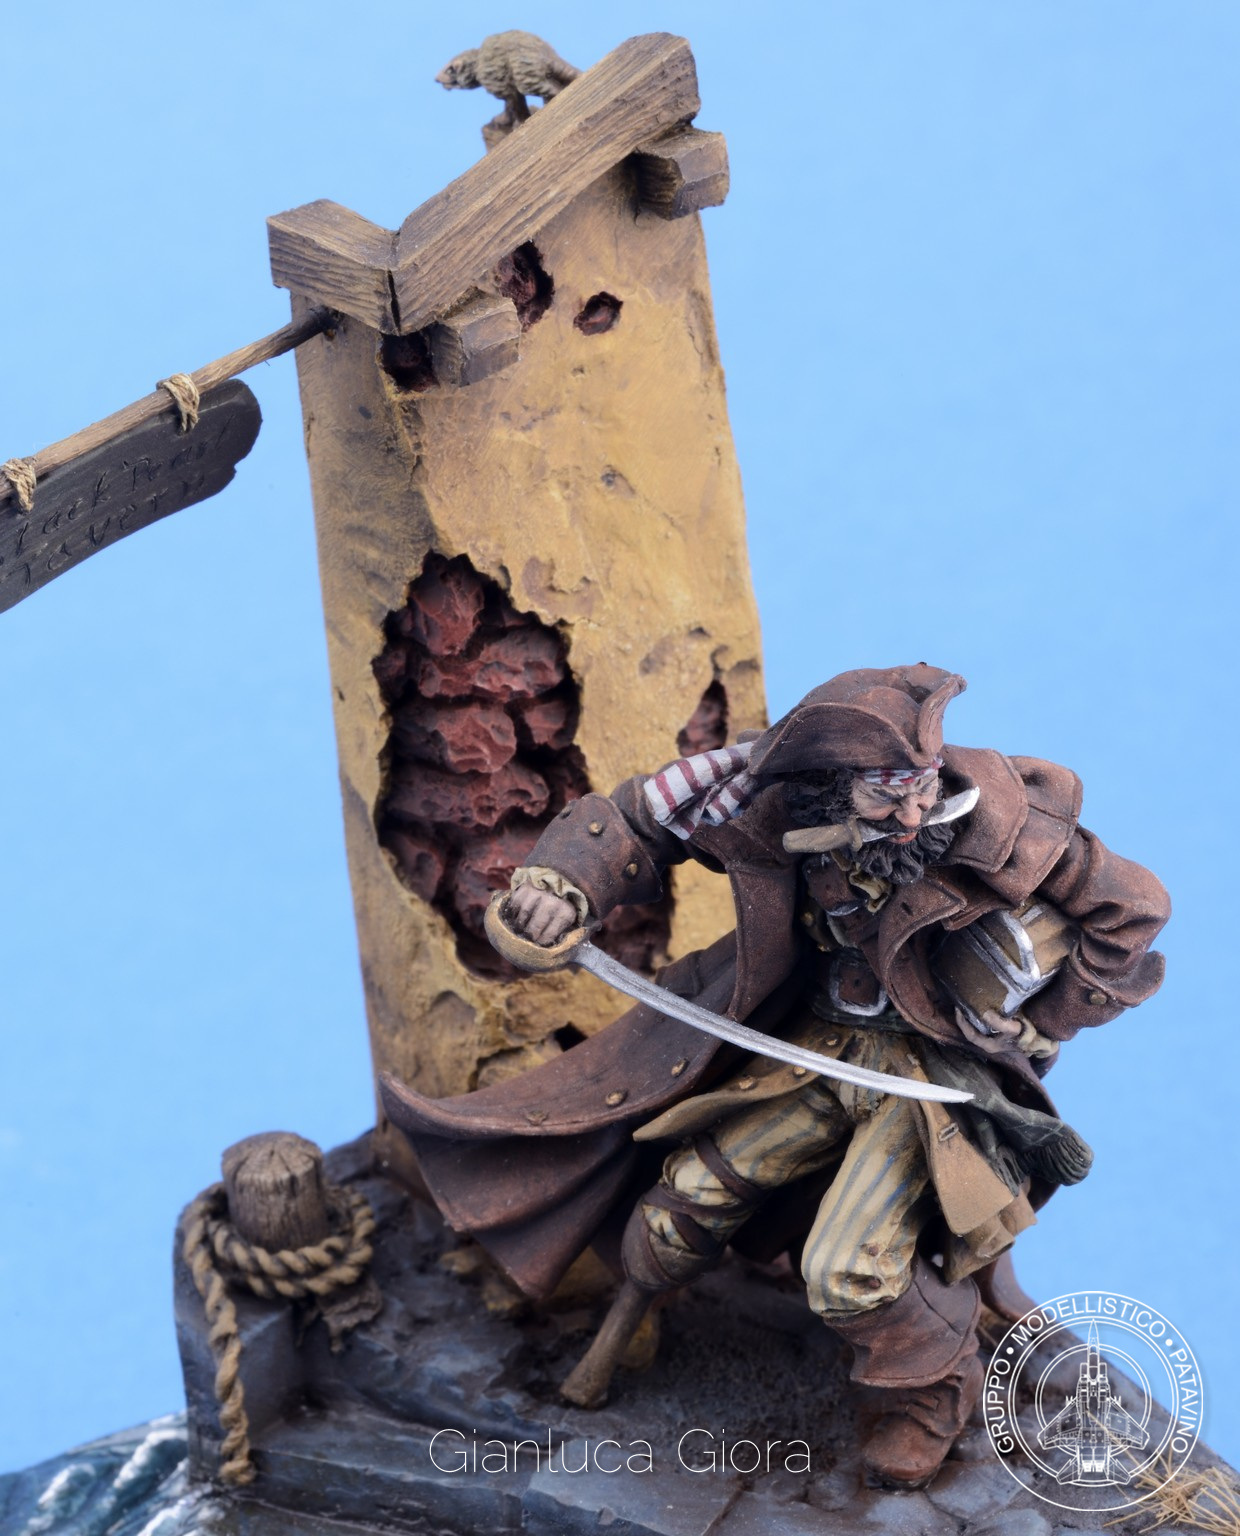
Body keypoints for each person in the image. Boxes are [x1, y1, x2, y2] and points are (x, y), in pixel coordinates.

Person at [381, 664, 1169, 1488]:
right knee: (681, 1203)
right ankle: (625, 1326)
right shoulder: (762, 798)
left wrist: (1048, 1018)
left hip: (930, 1082)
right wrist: (559, 888)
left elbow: (1134, 910)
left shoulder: (1006, 817)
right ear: (826, 789)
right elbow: (637, 819)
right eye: (885, 797)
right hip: (809, 1051)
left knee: (847, 1270)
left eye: (923, 790)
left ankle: (933, 1386)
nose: (912, 817)